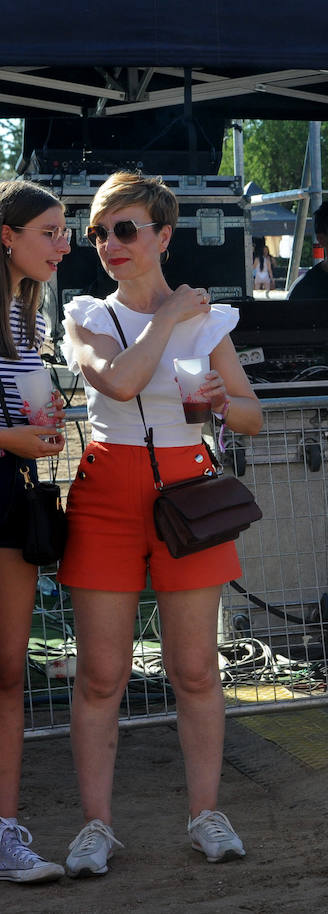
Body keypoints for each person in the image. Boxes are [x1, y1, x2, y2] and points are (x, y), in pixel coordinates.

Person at [59, 171, 264, 875]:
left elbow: (252, 415)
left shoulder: (210, 322)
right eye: (98, 233)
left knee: (196, 669)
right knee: (101, 675)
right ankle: (96, 825)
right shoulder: (87, 313)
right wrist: (172, 314)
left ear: (163, 236)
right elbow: (115, 382)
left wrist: (216, 405)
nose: (110, 245)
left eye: (126, 229)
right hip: (106, 492)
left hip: (187, 491)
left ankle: (207, 813)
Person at [0, 180, 70, 884]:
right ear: (7, 235)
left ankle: (3, 831)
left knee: (10, 674)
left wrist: (36, 436)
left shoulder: (28, 319)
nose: (64, 244)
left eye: (64, 231)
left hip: (11, 501)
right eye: (49, 231)